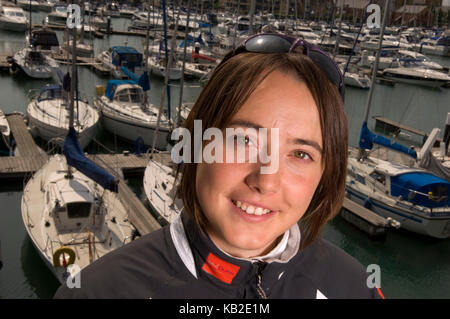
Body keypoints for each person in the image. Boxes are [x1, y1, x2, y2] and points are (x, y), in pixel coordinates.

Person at [54, 33, 385, 299]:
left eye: (301, 154)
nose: (266, 181)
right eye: (243, 141)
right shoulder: (95, 292)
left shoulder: (355, 287)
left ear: (325, 176)